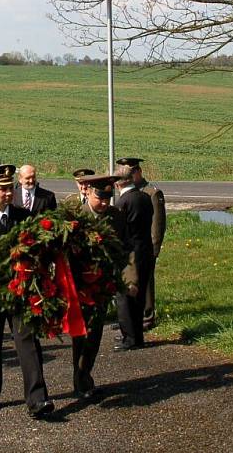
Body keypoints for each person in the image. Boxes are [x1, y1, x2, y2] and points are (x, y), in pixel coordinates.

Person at [0, 164, 54, 419]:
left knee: (28, 343)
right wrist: (13, 266)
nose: (7, 193)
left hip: (20, 294)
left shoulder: (22, 216)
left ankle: (38, 399)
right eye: (2, 189)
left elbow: (36, 247)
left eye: (9, 188)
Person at [73, 175, 138, 397]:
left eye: (109, 197)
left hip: (102, 285)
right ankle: (81, 379)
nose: (104, 202)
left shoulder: (115, 217)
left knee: (94, 334)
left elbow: (126, 248)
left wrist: (129, 279)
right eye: (100, 197)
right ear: (88, 192)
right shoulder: (75, 217)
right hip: (77, 285)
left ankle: (83, 375)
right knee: (81, 333)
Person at [117, 157, 167, 331]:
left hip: (145, 247)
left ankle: (147, 316)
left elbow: (157, 224)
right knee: (129, 281)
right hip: (130, 248)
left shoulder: (151, 192)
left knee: (145, 284)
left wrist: (154, 249)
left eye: (131, 173)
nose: (129, 178)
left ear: (138, 172)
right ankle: (129, 318)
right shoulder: (128, 192)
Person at [113, 162, 154, 351]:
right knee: (139, 297)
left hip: (128, 254)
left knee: (124, 297)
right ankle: (138, 336)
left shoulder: (123, 202)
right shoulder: (146, 197)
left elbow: (120, 230)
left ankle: (129, 337)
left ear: (117, 183)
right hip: (144, 250)